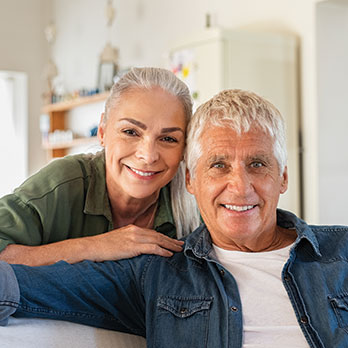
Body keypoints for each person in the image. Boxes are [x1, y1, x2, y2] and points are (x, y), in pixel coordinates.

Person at [0, 89, 346, 347]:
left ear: (283, 177)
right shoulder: (157, 273)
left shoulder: (341, 253)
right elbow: (15, 288)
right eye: (218, 165)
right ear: (191, 180)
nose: (240, 188)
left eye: (257, 164)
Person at [0, 67, 200, 266]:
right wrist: (94, 247)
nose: (148, 156)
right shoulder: (63, 183)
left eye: (168, 138)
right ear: (103, 131)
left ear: (184, 148)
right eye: (131, 132)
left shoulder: (194, 202)